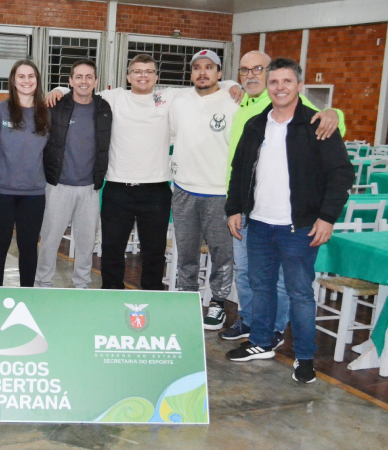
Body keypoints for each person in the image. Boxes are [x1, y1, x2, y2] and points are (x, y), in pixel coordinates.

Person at [46, 54, 241, 291]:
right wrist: (58, 89)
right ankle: (111, 294)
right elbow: (82, 90)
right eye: (137, 71)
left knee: (154, 252)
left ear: (156, 77)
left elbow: (206, 84)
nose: (143, 76)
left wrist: (233, 84)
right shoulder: (113, 98)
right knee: (112, 249)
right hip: (117, 189)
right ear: (128, 77)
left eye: (148, 71)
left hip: (156, 190)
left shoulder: (170, 97)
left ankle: (152, 296)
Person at [225, 58, 353, 383]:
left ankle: (305, 357)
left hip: (300, 228)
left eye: (287, 81)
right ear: (267, 86)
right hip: (258, 224)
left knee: (299, 293)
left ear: (299, 86)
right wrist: (234, 208)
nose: (279, 87)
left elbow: (341, 174)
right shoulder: (255, 125)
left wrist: (327, 218)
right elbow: (239, 171)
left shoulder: (316, 125)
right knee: (261, 287)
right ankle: (261, 342)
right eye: (274, 82)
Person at [168, 50, 238, 330]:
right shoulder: (180, 101)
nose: (202, 72)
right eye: (197, 67)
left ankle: (218, 302)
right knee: (187, 252)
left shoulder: (233, 101)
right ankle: (188, 299)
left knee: (222, 252)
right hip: (184, 189)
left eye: (209, 67)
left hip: (219, 192)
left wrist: (235, 84)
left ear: (219, 73)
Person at [35, 60, 111, 289]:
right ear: (70, 81)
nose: (83, 81)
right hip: (58, 186)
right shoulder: (56, 105)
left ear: (96, 81)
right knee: (49, 240)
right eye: (78, 76)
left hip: (90, 188)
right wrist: (56, 90)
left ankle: (82, 285)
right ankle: (43, 283)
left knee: (86, 243)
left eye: (89, 77)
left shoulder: (104, 108)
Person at [0, 60, 50, 287]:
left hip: (33, 193)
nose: (26, 81)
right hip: (0, 191)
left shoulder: (46, 113)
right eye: (21, 76)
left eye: (31, 76)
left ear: (37, 80)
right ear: (13, 81)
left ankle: (27, 295)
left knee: (29, 247)